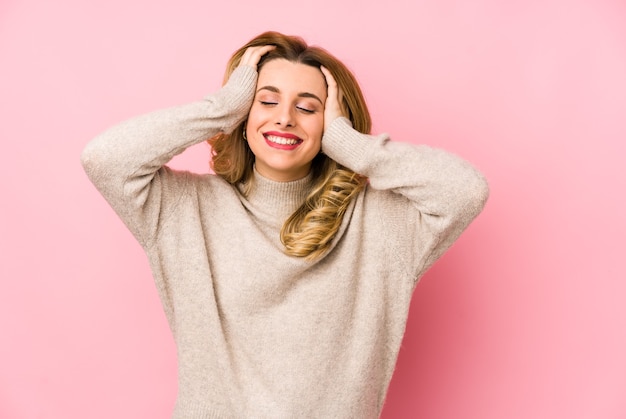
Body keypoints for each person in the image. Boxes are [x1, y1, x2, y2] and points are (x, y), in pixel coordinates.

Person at [81, 31, 489, 418]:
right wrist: (220, 109)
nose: (286, 119)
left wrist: (351, 146)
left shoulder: (379, 224)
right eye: (267, 101)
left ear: (330, 122)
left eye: (308, 107)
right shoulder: (184, 209)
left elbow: (465, 191)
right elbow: (105, 159)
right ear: (243, 113)